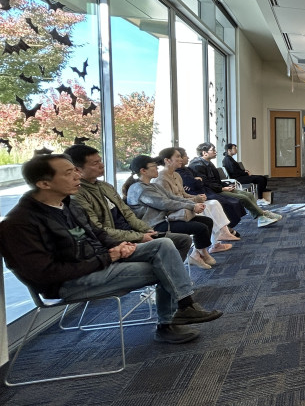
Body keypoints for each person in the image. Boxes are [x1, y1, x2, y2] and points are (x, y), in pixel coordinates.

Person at [0, 153, 222, 344]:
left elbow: (99, 234)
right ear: (44, 183)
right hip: (70, 282)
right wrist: (108, 257)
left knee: (164, 245)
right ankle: (168, 323)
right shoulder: (19, 223)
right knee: (165, 268)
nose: (77, 176)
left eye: (75, 170)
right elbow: (46, 274)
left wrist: (119, 247)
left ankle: (184, 305)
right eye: (68, 173)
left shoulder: (67, 205)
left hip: (99, 261)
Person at [64, 144, 193, 262]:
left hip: (135, 231)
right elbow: (98, 230)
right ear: (78, 169)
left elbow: (127, 212)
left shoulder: (105, 186)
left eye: (100, 161)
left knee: (183, 240)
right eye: (95, 163)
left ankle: (168, 275)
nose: (102, 165)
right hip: (116, 242)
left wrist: (146, 229)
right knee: (166, 244)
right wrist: (139, 236)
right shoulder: (78, 195)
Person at [122, 155, 218, 270]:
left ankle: (198, 254)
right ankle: (184, 264)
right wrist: (192, 206)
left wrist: (194, 203)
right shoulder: (140, 189)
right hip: (154, 225)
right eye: (154, 166)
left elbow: (173, 198)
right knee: (200, 228)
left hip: (165, 219)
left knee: (207, 221)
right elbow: (165, 203)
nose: (157, 168)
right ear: (143, 171)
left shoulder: (153, 186)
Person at [155, 147, 240, 243]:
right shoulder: (161, 179)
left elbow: (183, 194)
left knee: (214, 203)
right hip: (174, 211)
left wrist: (197, 198)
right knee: (204, 208)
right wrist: (195, 200)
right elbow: (171, 202)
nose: (181, 159)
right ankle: (214, 242)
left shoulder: (176, 175)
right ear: (167, 160)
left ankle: (223, 234)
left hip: (185, 205)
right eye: (178, 157)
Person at [188, 143, 282, 226]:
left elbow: (216, 180)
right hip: (213, 191)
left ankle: (261, 214)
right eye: (213, 150)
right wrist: (222, 188)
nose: (216, 152)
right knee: (243, 197)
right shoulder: (198, 166)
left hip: (219, 188)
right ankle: (261, 216)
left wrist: (225, 185)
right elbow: (206, 184)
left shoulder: (209, 163)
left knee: (248, 194)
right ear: (204, 153)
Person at [175, 147, 246, 234]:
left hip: (207, 190)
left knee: (234, 201)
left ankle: (227, 228)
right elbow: (195, 183)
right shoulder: (195, 165)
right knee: (225, 203)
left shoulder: (188, 169)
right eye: (185, 156)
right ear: (204, 152)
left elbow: (200, 181)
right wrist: (197, 181)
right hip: (199, 194)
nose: (188, 157)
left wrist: (197, 181)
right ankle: (226, 230)